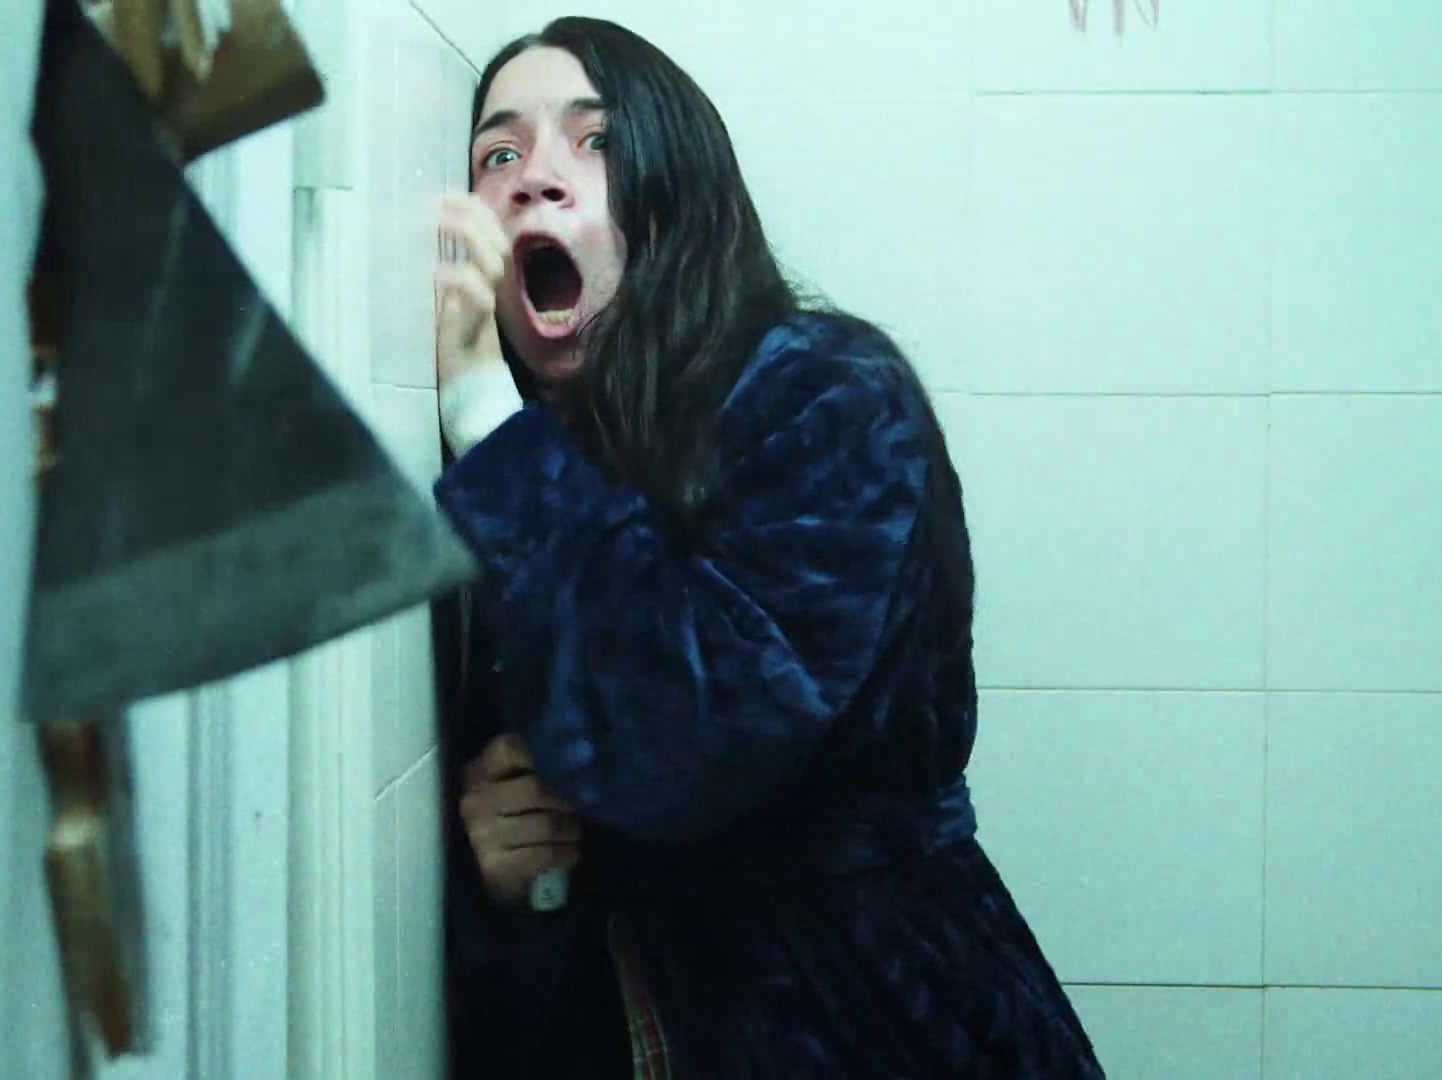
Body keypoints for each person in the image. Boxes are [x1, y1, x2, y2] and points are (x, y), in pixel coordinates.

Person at [429, 16, 1105, 1079]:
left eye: (595, 139)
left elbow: (687, 735)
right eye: (498, 154)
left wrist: (480, 407)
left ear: (678, 186)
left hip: (877, 1010)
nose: (535, 178)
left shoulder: (830, 396)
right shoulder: (512, 489)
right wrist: (515, 877)